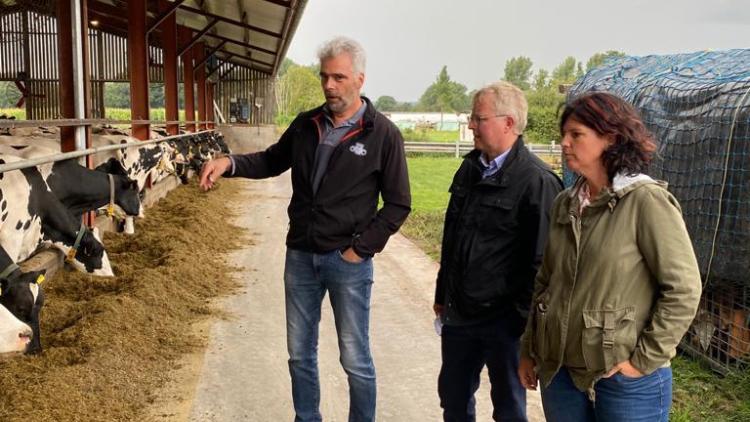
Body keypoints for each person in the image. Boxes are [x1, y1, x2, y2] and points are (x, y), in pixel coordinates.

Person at [199, 36, 411, 422]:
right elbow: (271, 160)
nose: (329, 85)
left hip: (347, 262)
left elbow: (398, 203)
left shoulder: (382, 134)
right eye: (324, 77)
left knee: (354, 357)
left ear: (360, 80)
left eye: (339, 77)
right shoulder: (306, 124)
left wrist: (361, 249)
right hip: (300, 256)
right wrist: (229, 163)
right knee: (300, 353)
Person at [517, 91, 702, 421]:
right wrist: (529, 350)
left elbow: (683, 289)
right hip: (559, 372)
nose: (565, 143)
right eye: (564, 134)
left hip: (623, 377)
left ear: (611, 138)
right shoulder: (565, 203)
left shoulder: (645, 201)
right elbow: (546, 282)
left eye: (576, 135)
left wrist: (641, 362)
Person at [434, 81, 563, 422]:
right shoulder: (470, 169)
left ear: (508, 123)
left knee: (508, 408)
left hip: (505, 324)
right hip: (460, 314)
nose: (471, 125)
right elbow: (453, 237)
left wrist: (523, 325)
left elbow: (542, 264)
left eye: (478, 118)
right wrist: (442, 292)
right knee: (453, 399)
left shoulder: (538, 181)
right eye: (472, 118)